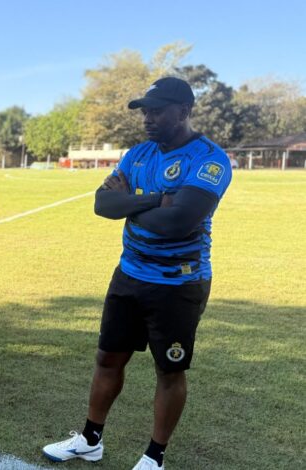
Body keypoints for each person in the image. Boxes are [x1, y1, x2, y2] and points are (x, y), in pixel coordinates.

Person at [41, 77, 232, 470]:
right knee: (107, 358)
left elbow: (178, 221)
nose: (147, 118)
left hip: (179, 282)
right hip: (129, 275)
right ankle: (90, 440)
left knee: (169, 371)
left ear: (184, 111)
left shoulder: (209, 160)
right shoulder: (138, 154)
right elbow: (102, 204)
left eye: (157, 111)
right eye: (145, 111)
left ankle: (154, 457)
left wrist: (129, 202)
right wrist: (156, 199)